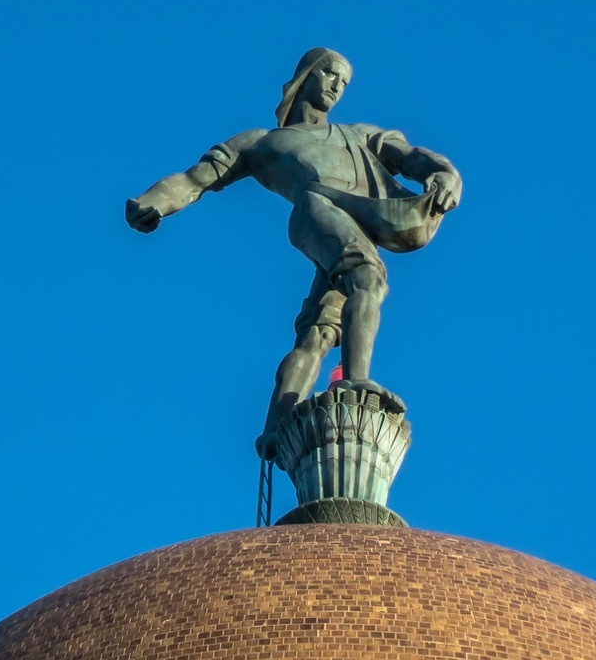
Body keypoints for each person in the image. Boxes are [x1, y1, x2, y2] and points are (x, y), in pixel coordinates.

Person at [125, 48, 462, 458]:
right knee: (368, 279)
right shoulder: (261, 142)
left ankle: (276, 429)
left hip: (358, 220)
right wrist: (153, 202)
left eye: (344, 82)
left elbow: (412, 157)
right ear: (307, 75)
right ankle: (357, 383)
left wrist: (444, 174)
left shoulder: (359, 134)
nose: (337, 87)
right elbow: (197, 179)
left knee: (318, 333)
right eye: (331, 75)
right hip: (316, 210)